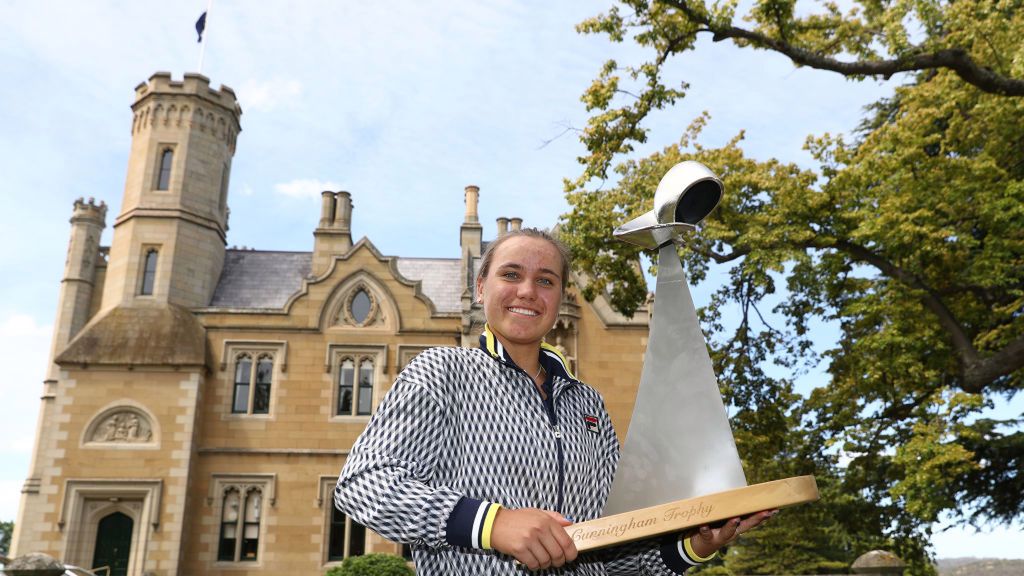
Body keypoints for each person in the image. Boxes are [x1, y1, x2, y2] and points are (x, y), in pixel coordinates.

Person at [334, 228, 773, 574]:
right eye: (511, 274)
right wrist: (492, 524)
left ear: (560, 296)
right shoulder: (442, 372)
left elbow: (617, 557)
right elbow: (363, 485)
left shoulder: (589, 404)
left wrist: (696, 546)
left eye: (545, 280)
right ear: (481, 286)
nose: (527, 290)